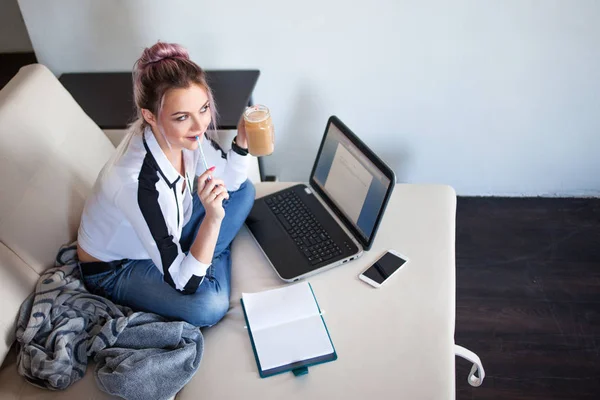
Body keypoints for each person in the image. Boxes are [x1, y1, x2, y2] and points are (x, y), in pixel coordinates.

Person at [76, 41, 255, 327]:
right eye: (182, 117)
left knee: (245, 191)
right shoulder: (136, 184)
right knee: (209, 305)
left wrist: (242, 143)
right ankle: (208, 254)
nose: (200, 126)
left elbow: (233, 183)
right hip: (119, 267)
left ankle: (202, 255)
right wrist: (213, 219)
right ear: (150, 116)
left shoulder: (187, 136)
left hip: (171, 223)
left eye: (204, 108)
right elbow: (183, 284)